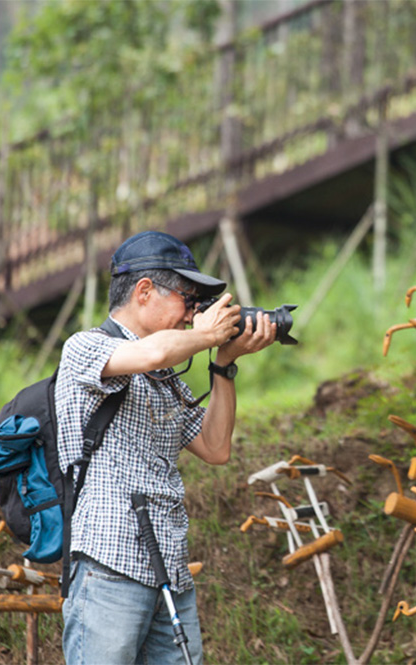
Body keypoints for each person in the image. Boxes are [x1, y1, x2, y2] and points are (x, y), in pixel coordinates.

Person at [56, 230, 276, 664]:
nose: (193, 314)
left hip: (169, 569)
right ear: (143, 292)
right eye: (187, 299)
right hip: (108, 564)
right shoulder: (85, 348)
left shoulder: (167, 380)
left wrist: (224, 365)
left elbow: (215, 448)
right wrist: (209, 335)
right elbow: (152, 354)